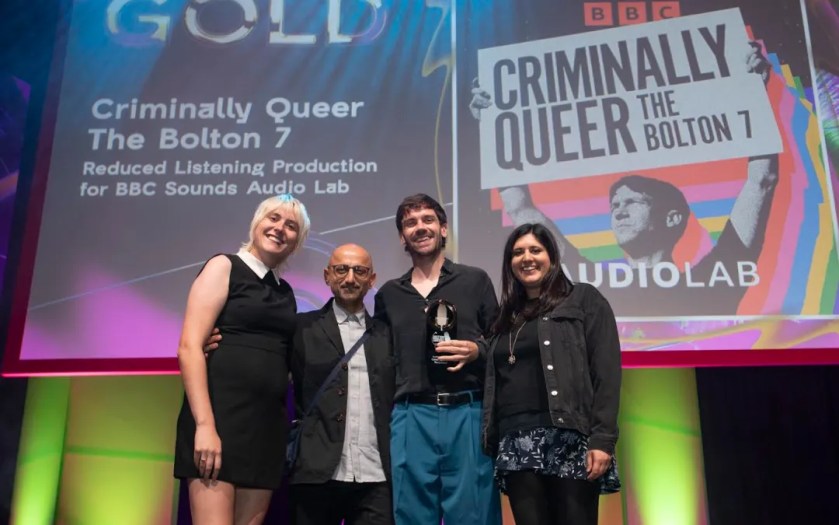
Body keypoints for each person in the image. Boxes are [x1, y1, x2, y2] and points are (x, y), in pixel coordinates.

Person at [472, 43, 778, 315]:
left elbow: (761, 181)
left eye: (632, 202)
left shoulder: (716, 277)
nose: (618, 211)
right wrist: (493, 123)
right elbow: (520, 207)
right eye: (615, 205)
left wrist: (755, 95)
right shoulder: (583, 284)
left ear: (672, 218)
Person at [173, 194, 310, 525]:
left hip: (266, 429)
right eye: (273, 218)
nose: (280, 228)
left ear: (297, 242)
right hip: (220, 420)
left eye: (291, 226)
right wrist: (205, 426)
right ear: (256, 223)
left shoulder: (285, 292)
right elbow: (189, 347)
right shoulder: (224, 266)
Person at [373, 193, 501, 525]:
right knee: (410, 514)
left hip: (467, 412)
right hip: (410, 415)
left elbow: (503, 343)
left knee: (474, 514)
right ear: (402, 237)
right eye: (410, 223)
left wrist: (477, 350)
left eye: (428, 219)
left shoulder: (475, 280)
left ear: (443, 229)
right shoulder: (388, 294)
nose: (420, 227)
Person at [482, 222, 621, 525]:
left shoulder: (583, 299)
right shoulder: (505, 315)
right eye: (518, 252)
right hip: (516, 442)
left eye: (535, 250)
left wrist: (602, 440)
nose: (526, 258)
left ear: (552, 257)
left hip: (568, 436)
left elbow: (606, 373)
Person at [289, 243, 395, 525]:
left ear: (371, 279)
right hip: (317, 473)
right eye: (341, 270)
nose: (350, 278)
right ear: (327, 276)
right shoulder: (301, 328)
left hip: (376, 476)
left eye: (359, 271)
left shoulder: (388, 334)